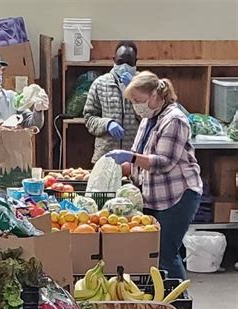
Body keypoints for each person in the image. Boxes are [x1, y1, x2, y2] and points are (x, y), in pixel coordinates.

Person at [106, 71, 203, 280]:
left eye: (138, 100)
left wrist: (130, 157)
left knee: (165, 253)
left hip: (177, 196)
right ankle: (158, 303)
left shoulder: (175, 120)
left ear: (155, 95)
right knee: (150, 253)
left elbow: (163, 162)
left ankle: (177, 305)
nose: (136, 106)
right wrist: (110, 170)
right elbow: (139, 158)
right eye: (132, 102)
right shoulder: (148, 119)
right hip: (153, 196)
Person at [83, 41, 140, 163]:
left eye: (129, 62)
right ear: (114, 60)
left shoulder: (145, 85)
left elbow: (151, 115)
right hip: (106, 155)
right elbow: (89, 118)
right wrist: (107, 124)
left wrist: (135, 89)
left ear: (136, 62)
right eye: (120, 61)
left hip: (135, 156)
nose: (124, 66)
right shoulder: (100, 84)